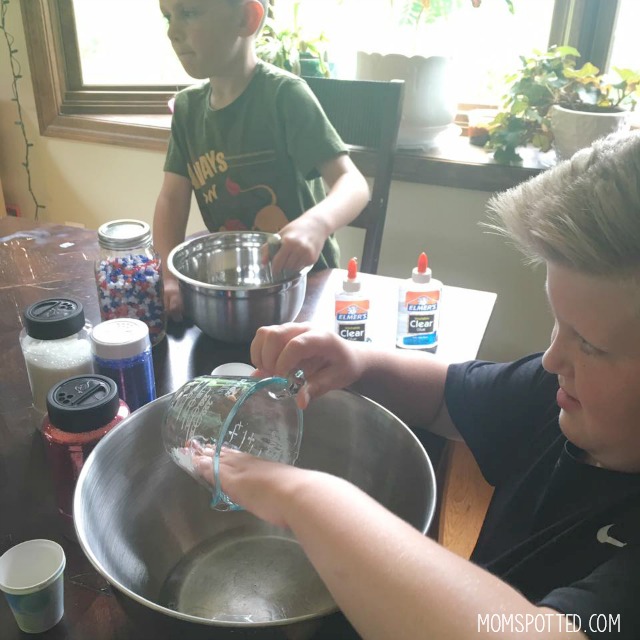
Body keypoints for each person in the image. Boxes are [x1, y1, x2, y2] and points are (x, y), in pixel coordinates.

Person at [207, 131, 640, 639]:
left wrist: (300, 497)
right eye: (557, 323)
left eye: (589, 343)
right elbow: (447, 396)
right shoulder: (562, 397)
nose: (551, 358)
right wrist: (359, 361)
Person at [154, 0, 370, 320]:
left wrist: (316, 224)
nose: (172, 31)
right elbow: (171, 200)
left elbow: (353, 184)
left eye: (189, 13)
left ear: (246, 18)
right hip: (232, 289)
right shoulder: (186, 110)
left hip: (306, 285)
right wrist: (169, 278)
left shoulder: (285, 95)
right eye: (168, 17)